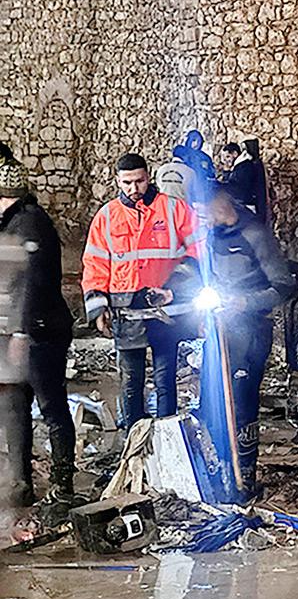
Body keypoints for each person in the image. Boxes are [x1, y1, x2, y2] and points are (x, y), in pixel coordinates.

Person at [172, 187, 294, 485]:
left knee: (241, 402)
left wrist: (246, 302)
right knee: (211, 399)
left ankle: (244, 474)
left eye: (203, 211)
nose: (200, 219)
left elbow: (283, 285)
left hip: (251, 331)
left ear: (221, 202)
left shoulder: (255, 235)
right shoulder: (212, 238)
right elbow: (206, 277)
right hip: (219, 329)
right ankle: (219, 468)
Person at [82, 154, 198, 431]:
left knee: (165, 378)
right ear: (117, 181)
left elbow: (197, 252)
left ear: (150, 177)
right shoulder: (107, 216)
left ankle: (169, 440)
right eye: (127, 183)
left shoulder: (174, 209)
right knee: (130, 380)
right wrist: (98, 308)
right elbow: (95, 263)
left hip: (165, 307)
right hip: (125, 309)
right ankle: (132, 443)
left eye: (140, 181)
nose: (134, 188)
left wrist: (174, 289)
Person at [0, 153, 76, 508]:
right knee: (13, 408)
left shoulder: (29, 225)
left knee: (50, 405)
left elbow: (33, 284)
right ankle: (20, 483)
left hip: (39, 333)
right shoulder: (8, 225)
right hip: (12, 333)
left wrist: (20, 333)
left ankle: (63, 485)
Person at [224, 138, 269, 217]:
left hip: (248, 206)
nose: (226, 161)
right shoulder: (247, 165)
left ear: (235, 154)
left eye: (228, 156)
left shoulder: (244, 167)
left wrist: (226, 174)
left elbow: (238, 188)